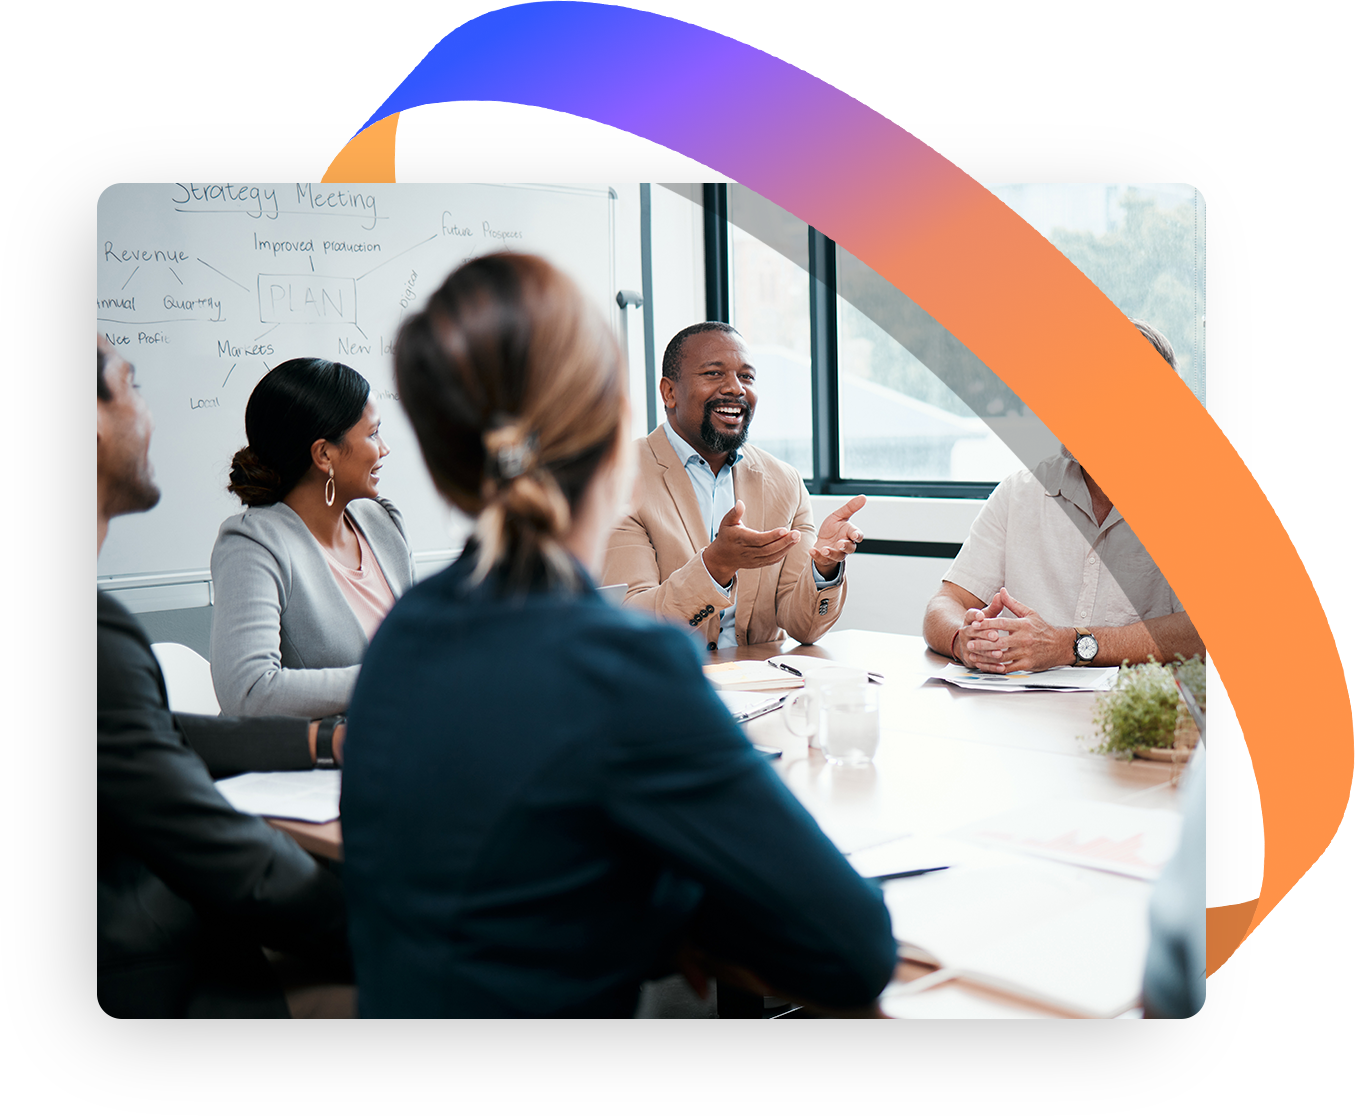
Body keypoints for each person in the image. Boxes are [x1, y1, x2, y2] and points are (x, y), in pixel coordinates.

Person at [340, 255, 898, 1018]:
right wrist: (675, 910)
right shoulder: (618, 665)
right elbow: (854, 945)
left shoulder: (406, 632)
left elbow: (516, 863)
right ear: (615, 443)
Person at [96, 335, 349, 1018]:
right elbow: (233, 865)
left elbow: (153, 734)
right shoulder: (102, 635)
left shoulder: (379, 524)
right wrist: (387, 930)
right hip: (152, 971)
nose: (150, 413)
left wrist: (324, 743)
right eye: (132, 384)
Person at [922, 320, 1205, 673]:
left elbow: (1201, 633)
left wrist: (1070, 645)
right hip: (1023, 711)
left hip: (1132, 718)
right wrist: (961, 640)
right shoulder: (1020, 492)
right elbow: (945, 603)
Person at [602, 322, 866, 650]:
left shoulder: (786, 483)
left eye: (747, 376)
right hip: (669, 687)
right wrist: (716, 566)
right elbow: (631, 624)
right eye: (714, 373)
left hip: (762, 690)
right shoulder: (616, 476)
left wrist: (823, 568)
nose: (735, 388)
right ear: (669, 392)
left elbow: (805, 628)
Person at [210, 358, 417, 717]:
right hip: (311, 764)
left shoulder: (382, 521)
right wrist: (387, 677)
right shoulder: (253, 544)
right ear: (324, 454)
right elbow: (248, 691)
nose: (383, 449)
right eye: (372, 434)